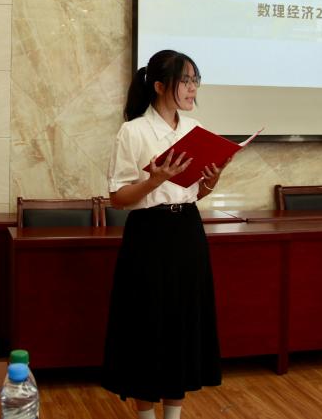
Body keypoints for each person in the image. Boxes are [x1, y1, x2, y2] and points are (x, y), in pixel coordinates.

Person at [101, 49, 226, 419]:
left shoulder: (194, 130)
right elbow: (118, 198)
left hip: (187, 231)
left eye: (195, 80)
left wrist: (211, 181)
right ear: (159, 86)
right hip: (149, 235)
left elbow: (194, 194)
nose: (192, 88)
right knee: (147, 323)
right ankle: (145, 415)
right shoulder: (133, 131)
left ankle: (173, 415)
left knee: (183, 322)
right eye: (185, 81)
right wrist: (153, 180)